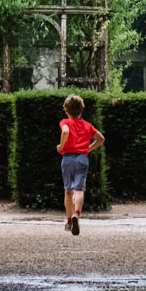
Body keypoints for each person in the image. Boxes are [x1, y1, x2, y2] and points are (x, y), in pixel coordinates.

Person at [56, 94, 104, 236]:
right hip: (82, 159)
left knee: (68, 190)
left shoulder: (65, 122)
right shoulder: (87, 125)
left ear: (66, 110)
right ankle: (77, 213)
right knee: (79, 189)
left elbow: (65, 131)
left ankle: (69, 220)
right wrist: (87, 149)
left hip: (68, 158)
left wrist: (61, 146)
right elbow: (101, 139)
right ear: (82, 110)